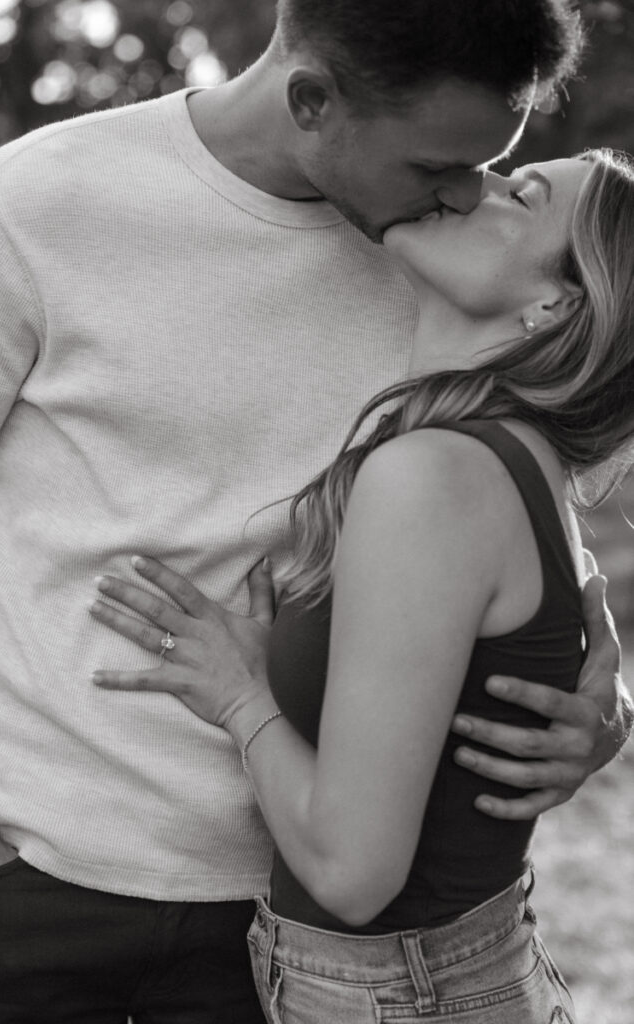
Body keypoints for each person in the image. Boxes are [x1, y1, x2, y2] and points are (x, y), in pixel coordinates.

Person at [0, 0, 629, 1019]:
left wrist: (598, 676)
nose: (464, 192)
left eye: (494, 164)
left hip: (292, 923)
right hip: (27, 885)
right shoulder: (32, 205)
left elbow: (520, 465)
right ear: (311, 101)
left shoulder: (436, 258)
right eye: (438, 165)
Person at [89, 147, 634, 1023]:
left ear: (554, 304)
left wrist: (237, 695)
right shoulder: (509, 454)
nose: (471, 183)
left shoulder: (436, 473)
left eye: (517, 194)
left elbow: (351, 875)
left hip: (394, 995)